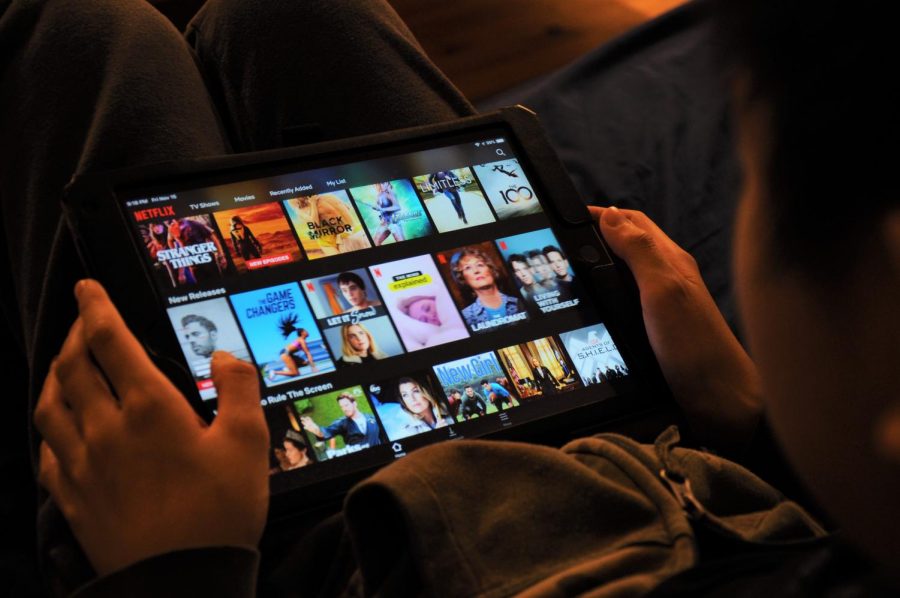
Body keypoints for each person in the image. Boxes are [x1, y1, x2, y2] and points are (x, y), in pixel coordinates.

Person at [21, 0, 900, 595]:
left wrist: (179, 568)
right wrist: (749, 421)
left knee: (82, 33)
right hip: (640, 441)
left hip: (292, 548)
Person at [451, 247, 524, 327]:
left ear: (491, 270)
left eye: (479, 264)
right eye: (468, 268)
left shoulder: (520, 302)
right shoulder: (464, 317)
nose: (476, 270)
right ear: (463, 278)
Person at [299, 393, 382, 448]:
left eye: (346, 405)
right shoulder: (341, 423)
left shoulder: (371, 417)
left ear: (354, 403)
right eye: (342, 407)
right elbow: (327, 432)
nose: (344, 409)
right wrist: (316, 430)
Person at [266, 313, 318, 380]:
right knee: (296, 374)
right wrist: (313, 367)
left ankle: (288, 368)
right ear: (302, 333)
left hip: (288, 353)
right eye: (306, 331)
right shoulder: (302, 340)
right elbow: (307, 353)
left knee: (305, 363)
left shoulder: (301, 340)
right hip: (285, 353)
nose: (308, 332)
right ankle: (274, 372)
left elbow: (307, 353)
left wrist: (311, 364)